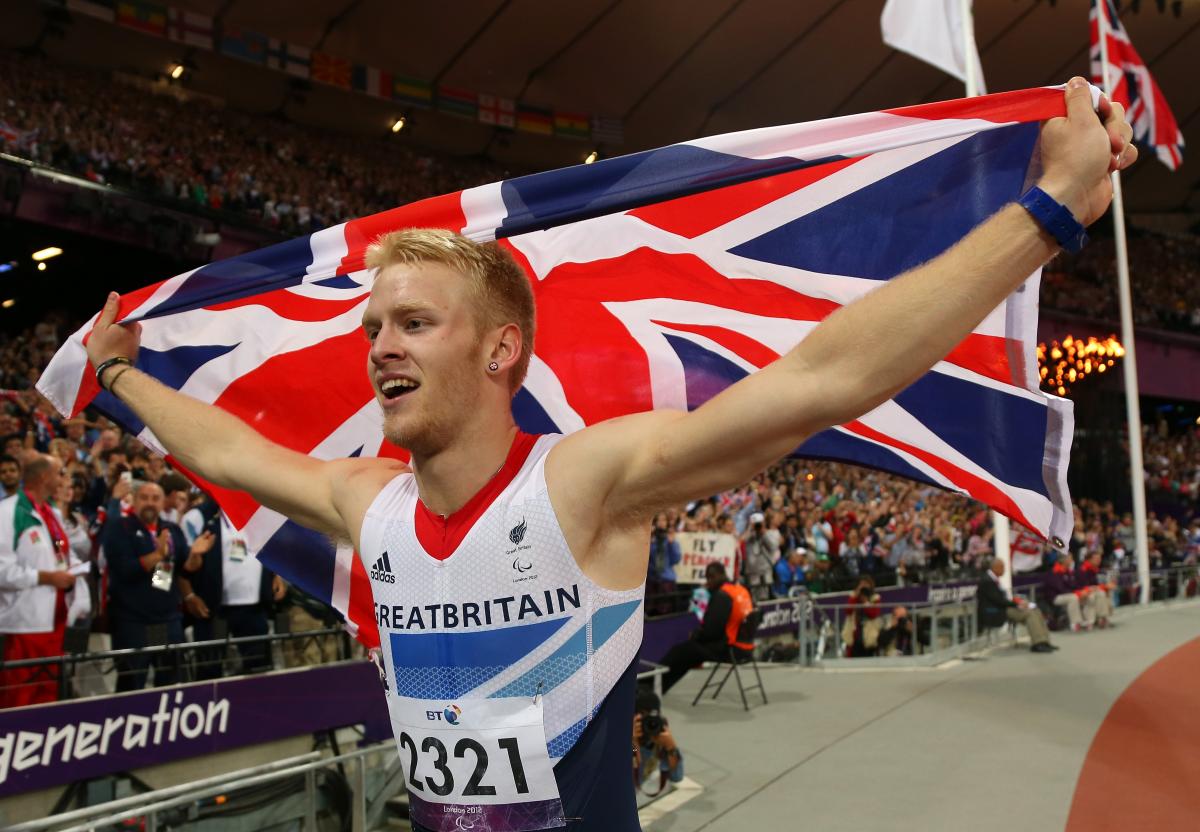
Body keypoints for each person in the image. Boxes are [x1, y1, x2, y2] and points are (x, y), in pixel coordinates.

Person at [79, 81, 1133, 831]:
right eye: (372, 329)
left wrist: (1042, 214)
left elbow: (822, 380)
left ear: (501, 350)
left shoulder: (585, 483)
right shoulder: (369, 504)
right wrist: (120, 376)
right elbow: (224, 446)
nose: (380, 347)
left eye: (411, 323)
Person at [0, 455, 91, 707]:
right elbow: (2, 570)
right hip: (24, 626)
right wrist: (46, 577)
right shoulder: (7, 513)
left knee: (48, 697)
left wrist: (74, 568)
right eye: (60, 473)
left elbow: (62, 552)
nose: (65, 479)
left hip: (57, 619)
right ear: (44, 477)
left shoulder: (51, 513)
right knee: (19, 697)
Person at [177, 497, 283, 678]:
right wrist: (189, 595)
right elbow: (183, 566)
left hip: (253, 607)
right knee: (210, 671)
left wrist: (277, 575)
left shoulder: (259, 518)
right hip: (215, 610)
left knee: (260, 670)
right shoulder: (200, 519)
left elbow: (270, 550)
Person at [104, 481, 192, 691]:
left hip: (167, 620)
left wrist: (196, 555)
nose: (150, 503)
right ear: (133, 501)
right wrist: (158, 555)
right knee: (131, 685)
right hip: (133, 623)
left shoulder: (171, 529)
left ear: (163, 503)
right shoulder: (119, 527)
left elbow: (184, 567)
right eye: (144, 498)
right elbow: (125, 569)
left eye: (155, 498)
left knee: (170, 685)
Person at [659, 563, 753, 693]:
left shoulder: (721, 596)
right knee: (685, 652)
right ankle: (658, 687)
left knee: (680, 652)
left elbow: (711, 632)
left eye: (709, 578)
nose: (708, 582)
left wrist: (696, 635)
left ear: (715, 576)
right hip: (745, 648)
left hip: (728, 650)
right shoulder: (741, 591)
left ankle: (654, 685)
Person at [977, 558, 1056, 653]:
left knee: (1036, 610)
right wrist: (1017, 604)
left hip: (1002, 607)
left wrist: (1018, 603)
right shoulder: (987, 580)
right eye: (1003, 568)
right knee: (1029, 613)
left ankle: (1045, 641)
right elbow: (998, 600)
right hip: (995, 610)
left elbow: (1001, 599)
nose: (1004, 570)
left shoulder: (993, 579)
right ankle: (1038, 643)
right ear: (996, 568)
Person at [632, 689, 684, 795]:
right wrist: (633, 742)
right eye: (642, 717)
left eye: (651, 716)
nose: (648, 723)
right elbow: (630, 782)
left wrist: (671, 747)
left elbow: (677, 777)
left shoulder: (658, 734)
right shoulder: (620, 736)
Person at [1044, 553, 1094, 631]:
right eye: (1070, 558)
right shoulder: (1054, 571)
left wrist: (1082, 592)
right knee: (1073, 598)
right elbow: (1061, 589)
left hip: (1068, 594)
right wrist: (1078, 594)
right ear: (1064, 560)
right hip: (1056, 597)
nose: (1072, 560)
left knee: (1088, 596)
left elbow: (1074, 586)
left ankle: (1090, 621)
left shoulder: (1068, 571)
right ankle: (1076, 623)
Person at [740, 511, 778, 601]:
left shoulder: (768, 533)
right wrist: (750, 528)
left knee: (765, 598)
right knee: (753, 600)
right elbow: (742, 541)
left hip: (765, 570)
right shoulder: (748, 534)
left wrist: (763, 532)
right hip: (752, 571)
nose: (758, 526)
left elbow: (773, 547)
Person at [842, 576, 882, 657]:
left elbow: (873, 614)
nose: (864, 587)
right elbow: (848, 611)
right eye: (862, 584)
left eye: (866, 584)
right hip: (855, 633)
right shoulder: (854, 597)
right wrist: (855, 595)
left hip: (869, 634)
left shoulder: (875, 598)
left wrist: (865, 602)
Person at [1076, 551, 1115, 628]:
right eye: (1096, 558)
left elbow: (1098, 585)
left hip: (1094, 592)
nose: (1099, 560)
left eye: (1099, 558)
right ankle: (1098, 619)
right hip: (1083, 593)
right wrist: (1104, 587)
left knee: (1103, 593)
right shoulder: (1083, 570)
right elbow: (1085, 586)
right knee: (1099, 594)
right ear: (1089, 560)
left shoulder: (1096, 570)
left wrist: (1107, 587)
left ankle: (1102, 618)